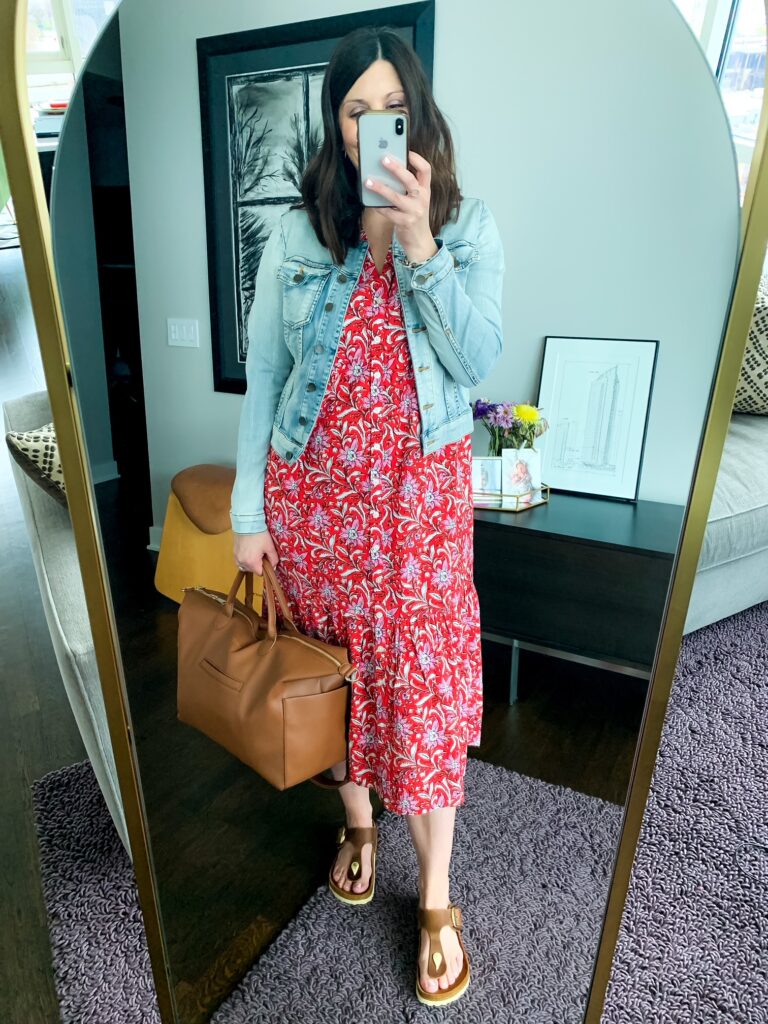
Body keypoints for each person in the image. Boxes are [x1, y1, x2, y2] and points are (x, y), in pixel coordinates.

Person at [230, 25, 504, 1007]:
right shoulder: (300, 234)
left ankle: (433, 895)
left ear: (417, 113)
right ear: (334, 119)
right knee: (339, 685)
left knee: (419, 709)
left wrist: (423, 246)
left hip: (419, 525)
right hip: (313, 516)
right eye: (354, 110)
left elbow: (476, 363)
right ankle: (358, 825)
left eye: (390, 108)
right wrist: (245, 514)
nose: (371, 128)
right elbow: (265, 376)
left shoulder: (469, 228)